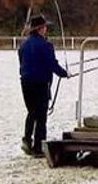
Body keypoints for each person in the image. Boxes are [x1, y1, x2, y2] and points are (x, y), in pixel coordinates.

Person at [18, 14, 69, 157]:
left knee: (31, 112)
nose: (46, 29)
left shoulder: (23, 45)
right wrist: (64, 73)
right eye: (45, 27)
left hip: (25, 82)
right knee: (41, 116)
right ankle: (38, 147)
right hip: (40, 83)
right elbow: (52, 64)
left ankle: (27, 140)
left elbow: (23, 63)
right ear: (40, 29)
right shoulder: (46, 45)